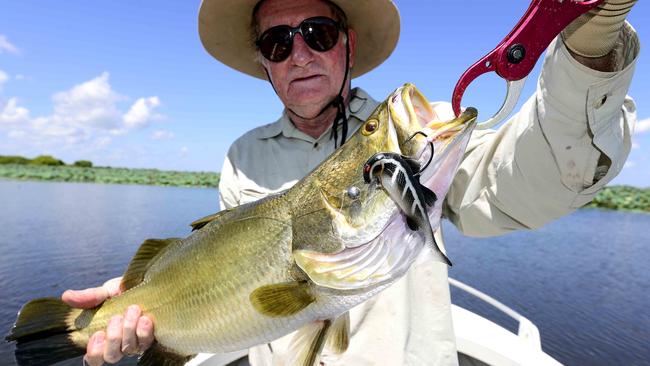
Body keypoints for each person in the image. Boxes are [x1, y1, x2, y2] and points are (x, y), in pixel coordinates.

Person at [64, 0, 640, 365]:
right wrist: (149, 309)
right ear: (265, 62)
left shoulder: (416, 143)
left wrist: (590, 49)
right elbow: (229, 281)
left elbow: (530, 181)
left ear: (348, 43)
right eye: (276, 42)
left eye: (317, 31)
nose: (299, 54)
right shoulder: (243, 157)